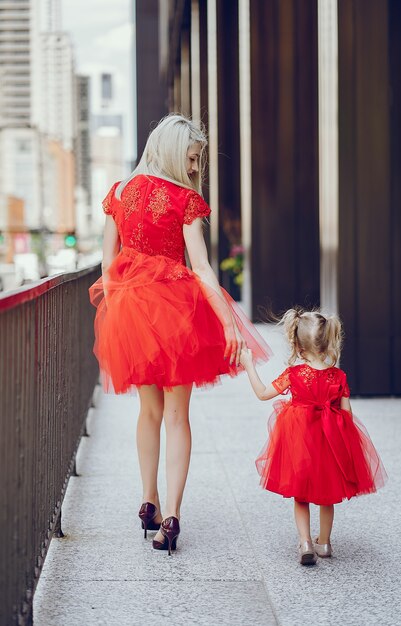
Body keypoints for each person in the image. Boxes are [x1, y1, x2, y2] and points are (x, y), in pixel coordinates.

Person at [89, 113, 271, 556]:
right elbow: (202, 267)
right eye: (192, 159)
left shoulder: (118, 193)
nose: (194, 169)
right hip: (177, 313)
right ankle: (170, 516)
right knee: (176, 416)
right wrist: (227, 320)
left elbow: (106, 266)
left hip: (130, 312)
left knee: (148, 413)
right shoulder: (183, 200)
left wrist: (118, 314)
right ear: (173, 152)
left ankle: (147, 501)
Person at [240, 308, 387, 565]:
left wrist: (249, 365)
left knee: (301, 494)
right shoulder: (338, 376)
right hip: (330, 444)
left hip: (299, 442)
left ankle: (306, 542)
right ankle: (325, 543)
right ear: (327, 340)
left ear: (297, 345)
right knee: (327, 495)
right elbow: (347, 415)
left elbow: (263, 393)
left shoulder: (294, 375)